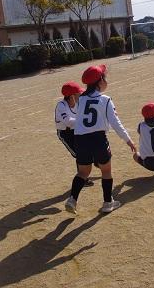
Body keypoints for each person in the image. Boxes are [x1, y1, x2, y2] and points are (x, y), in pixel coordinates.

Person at [64, 64, 137, 214]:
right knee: (106, 170)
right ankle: (108, 202)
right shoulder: (106, 100)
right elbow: (116, 123)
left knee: (83, 172)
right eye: (105, 77)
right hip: (98, 138)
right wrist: (128, 140)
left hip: (80, 139)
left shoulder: (81, 99)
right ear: (100, 81)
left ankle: (72, 199)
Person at [55, 81, 93, 186]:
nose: (80, 95)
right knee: (79, 154)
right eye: (78, 93)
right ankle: (83, 178)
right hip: (65, 133)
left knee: (86, 150)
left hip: (77, 130)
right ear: (71, 96)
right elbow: (68, 121)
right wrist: (84, 120)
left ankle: (92, 167)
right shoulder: (61, 106)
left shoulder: (78, 103)